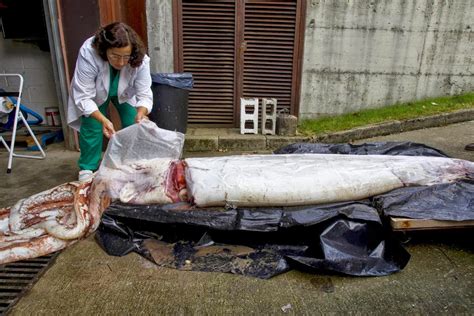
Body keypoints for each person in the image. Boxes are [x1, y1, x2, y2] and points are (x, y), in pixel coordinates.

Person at [67, 22, 153, 182]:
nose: (121, 62)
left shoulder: (140, 58)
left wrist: (141, 113)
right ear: (104, 50)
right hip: (94, 93)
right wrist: (103, 119)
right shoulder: (89, 51)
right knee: (92, 125)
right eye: (115, 56)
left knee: (133, 122)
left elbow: (144, 93)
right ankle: (88, 167)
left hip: (124, 91)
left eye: (125, 57)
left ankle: (131, 163)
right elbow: (84, 97)